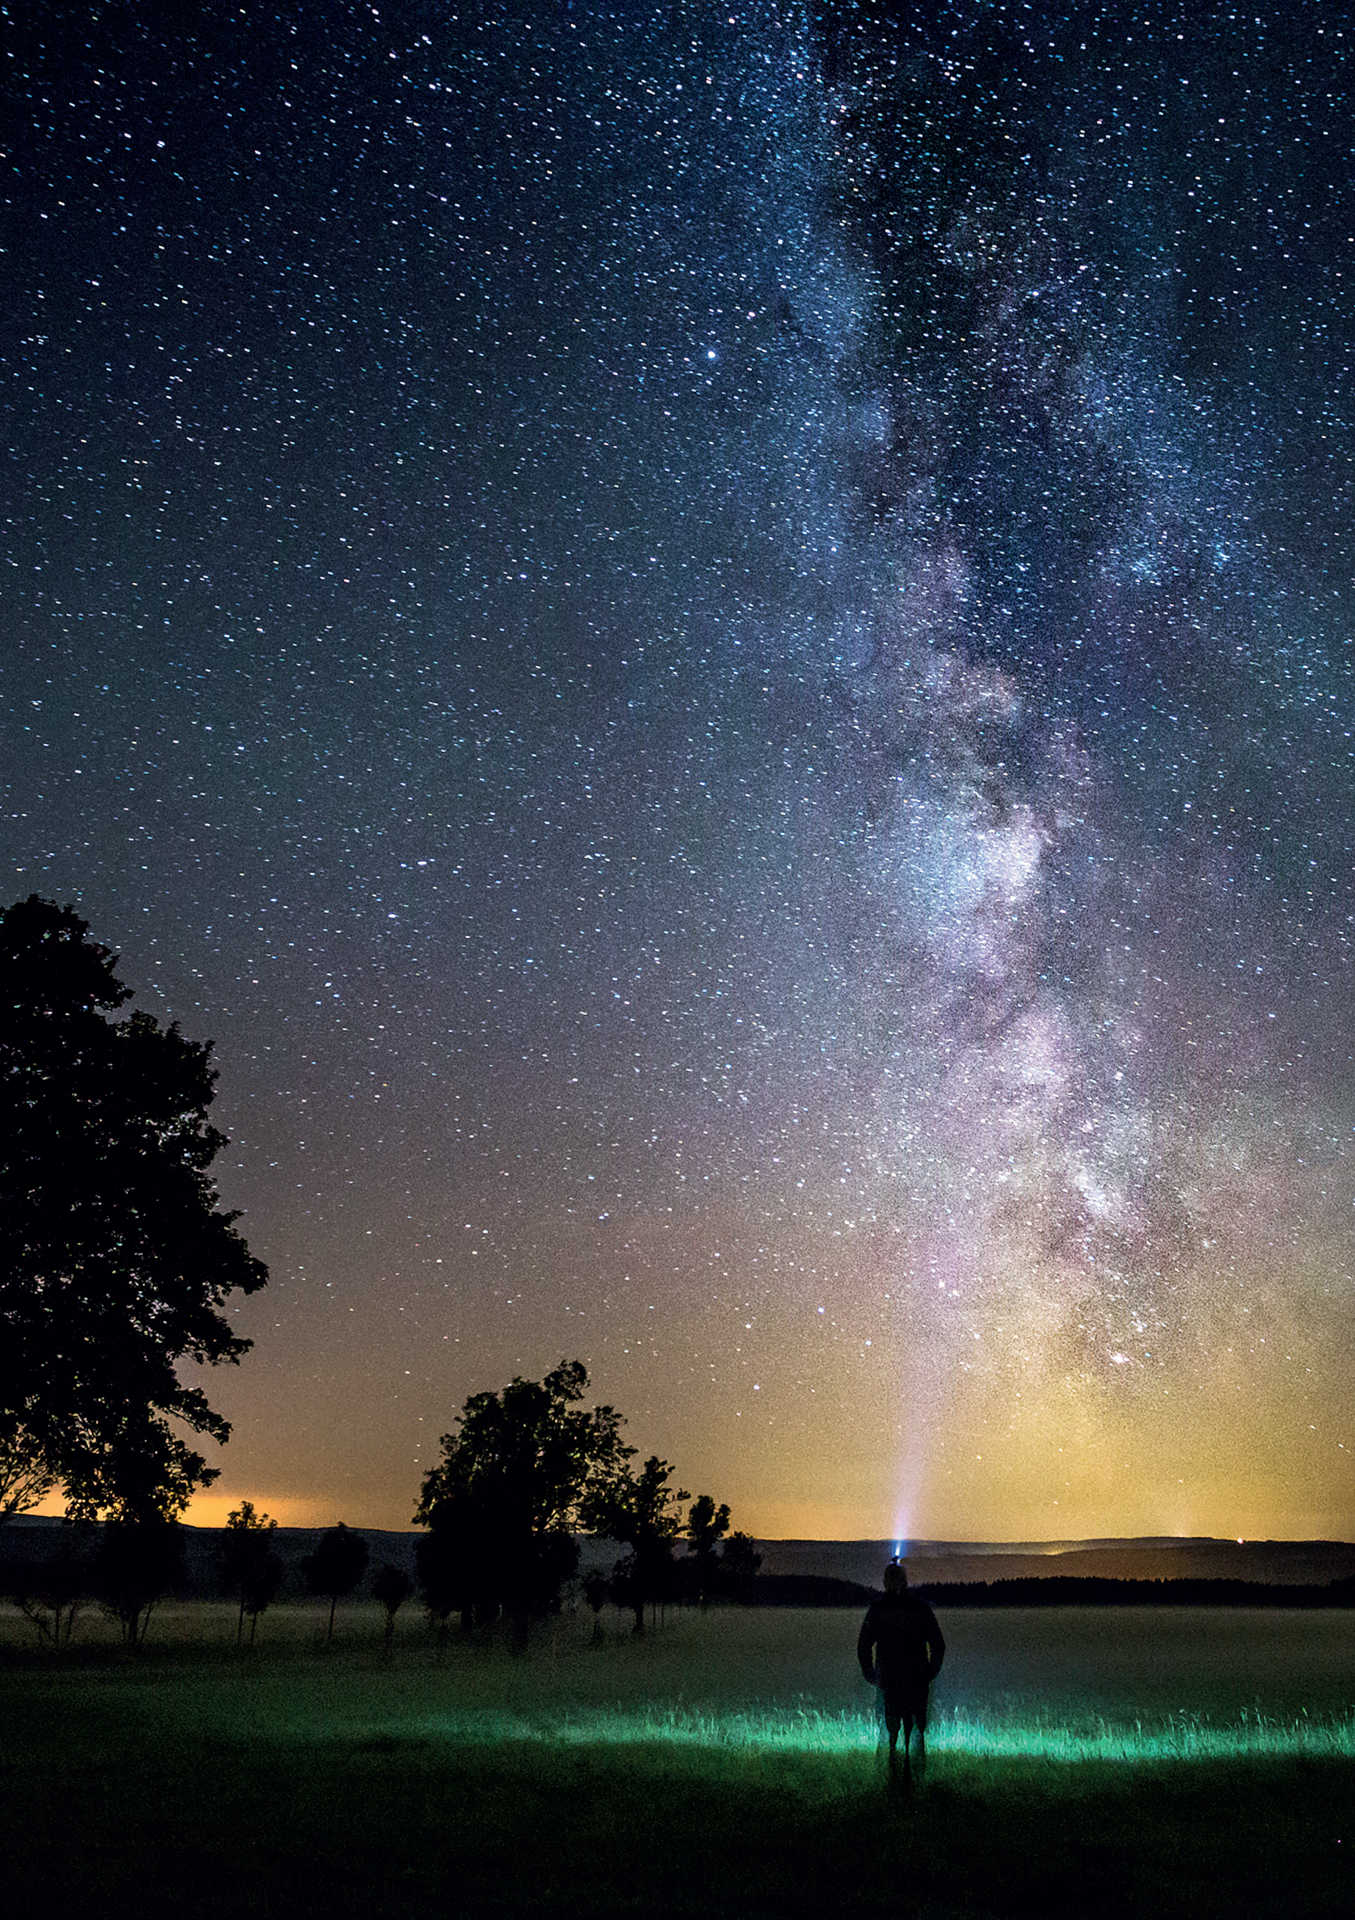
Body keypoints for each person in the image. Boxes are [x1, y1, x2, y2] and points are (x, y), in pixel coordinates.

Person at [857, 1558, 945, 1781]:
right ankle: (915, 1777)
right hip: (915, 1678)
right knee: (914, 1728)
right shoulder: (920, 1609)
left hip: (889, 1679)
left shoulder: (878, 1609)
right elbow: (937, 1644)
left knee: (890, 1729)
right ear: (905, 1581)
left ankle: (890, 1776)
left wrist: (871, 1673)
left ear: (885, 1581)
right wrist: (930, 1672)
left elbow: (864, 1644)